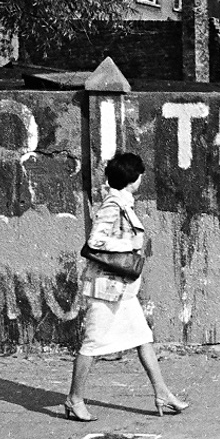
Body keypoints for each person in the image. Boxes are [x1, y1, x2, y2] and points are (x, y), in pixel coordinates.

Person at [64, 151, 188, 421]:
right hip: (106, 289)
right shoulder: (113, 205)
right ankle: (74, 399)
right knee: (93, 345)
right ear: (134, 178)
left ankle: (162, 393)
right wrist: (129, 247)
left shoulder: (123, 202)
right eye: (140, 174)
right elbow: (95, 242)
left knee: (143, 339)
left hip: (122, 289)